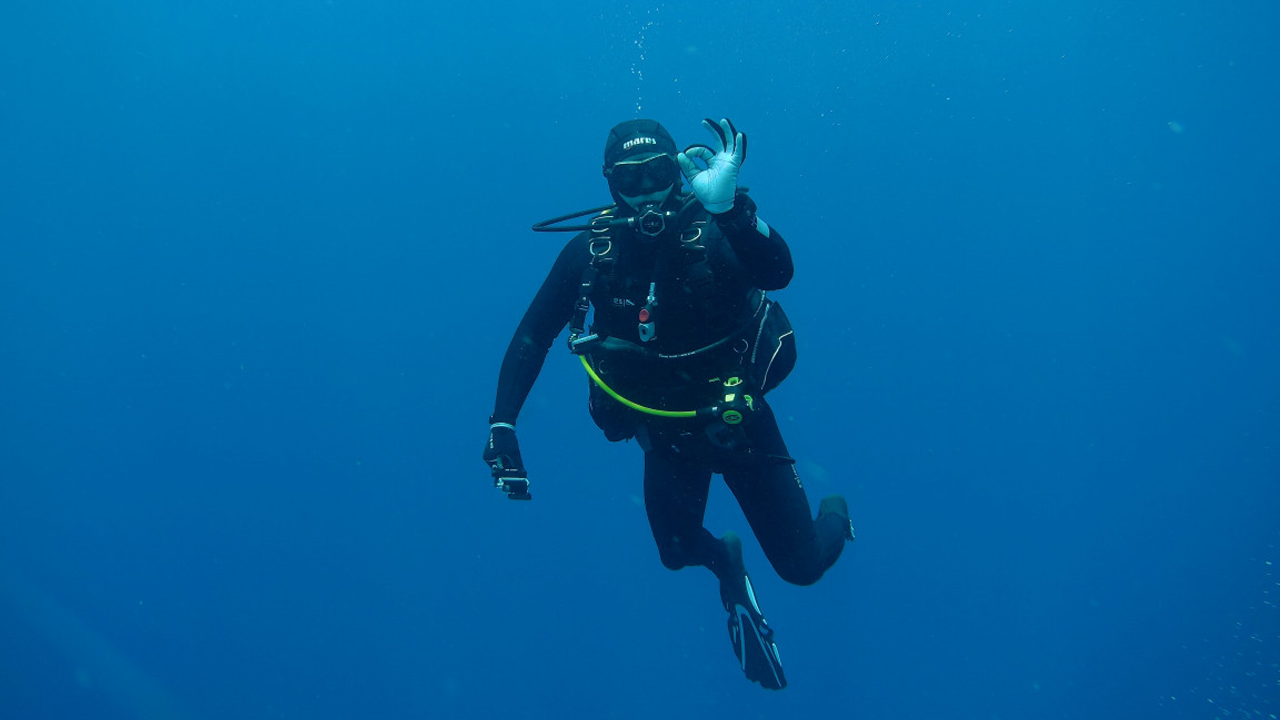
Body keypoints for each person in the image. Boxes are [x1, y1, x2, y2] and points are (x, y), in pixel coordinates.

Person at [483, 118, 855, 690]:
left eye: (658, 173)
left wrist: (730, 210)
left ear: (677, 173)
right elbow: (532, 334)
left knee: (803, 569)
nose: (647, 192)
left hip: (738, 423)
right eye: (630, 179)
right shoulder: (591, 254)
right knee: (677, 552)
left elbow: (778, 272)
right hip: (667, 433)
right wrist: (503, 423)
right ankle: (725, 565)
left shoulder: (712, 228)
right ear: (610, 185)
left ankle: (836, 513)